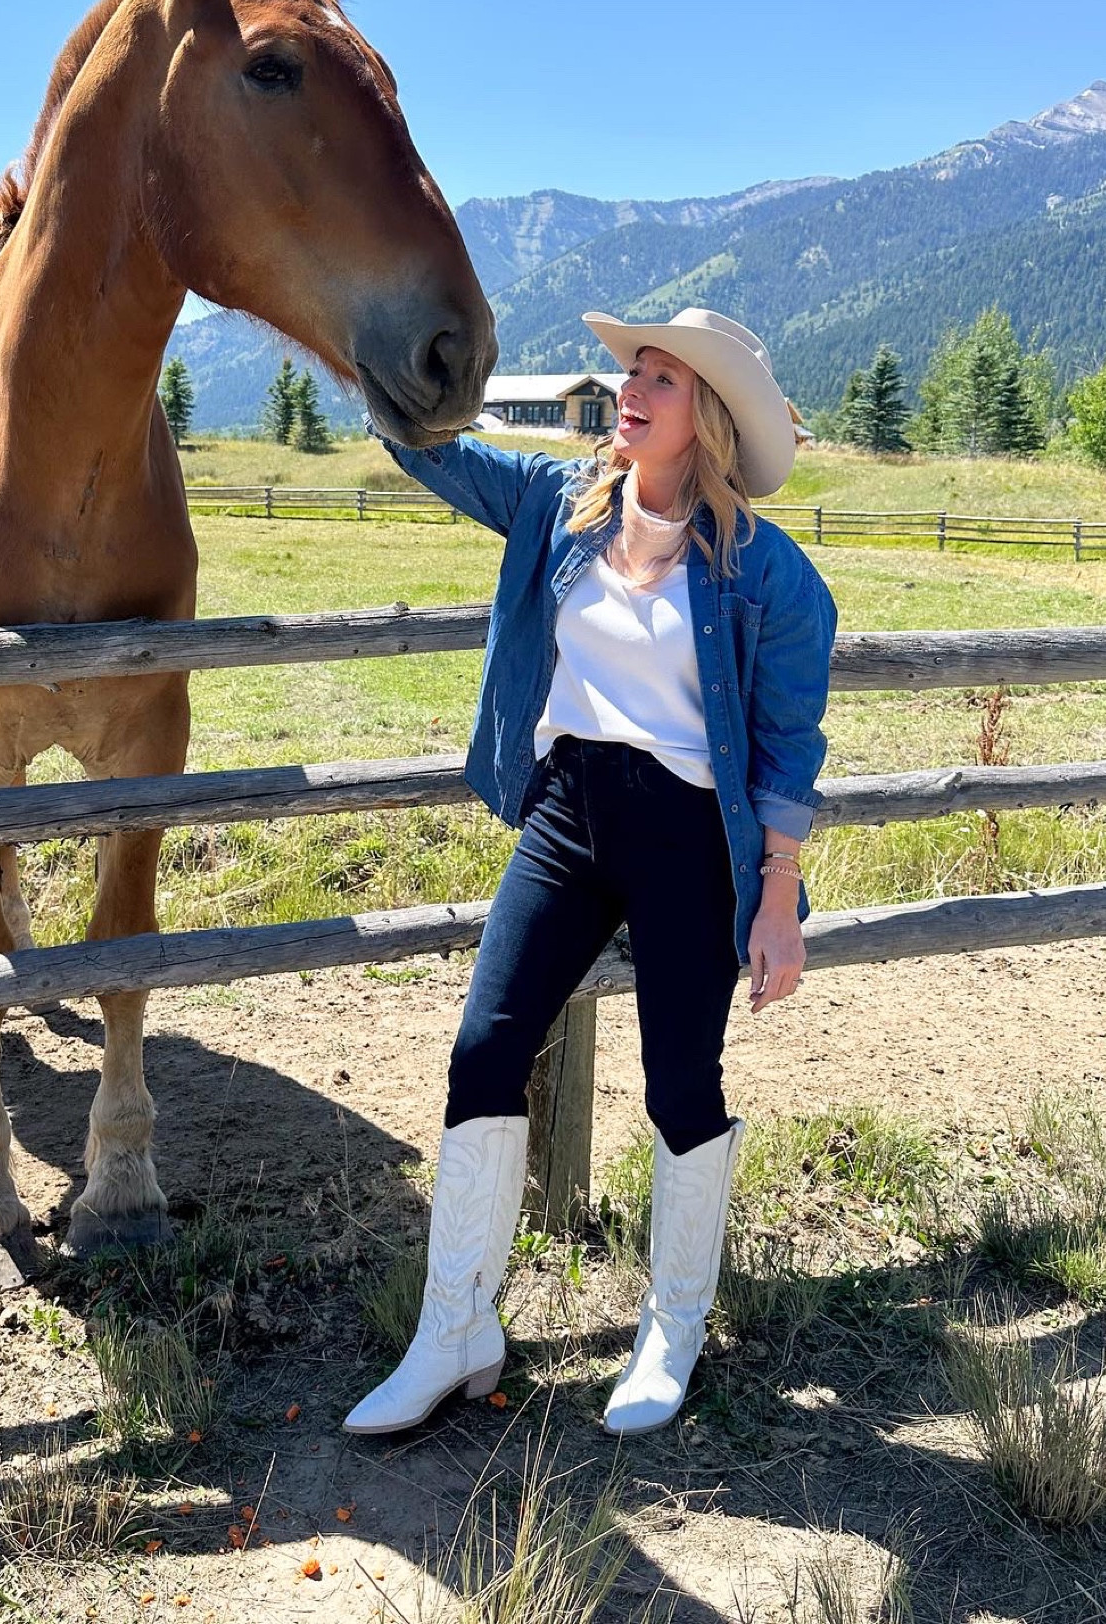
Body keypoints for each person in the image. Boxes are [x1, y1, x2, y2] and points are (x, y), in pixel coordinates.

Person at [343, 307, 836, 1439]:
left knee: (679, 1082)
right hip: (566, 813)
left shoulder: (767, 572)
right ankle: (456, 1327)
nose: (631, 388)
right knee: (485, 1047)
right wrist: (369, 345)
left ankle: (673, 1325)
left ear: (703, 414)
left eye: (660, 378)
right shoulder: (556, 503)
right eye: (632, 370)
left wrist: (775, 896)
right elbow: (427, 448)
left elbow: (786, 745)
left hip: (686, 837)